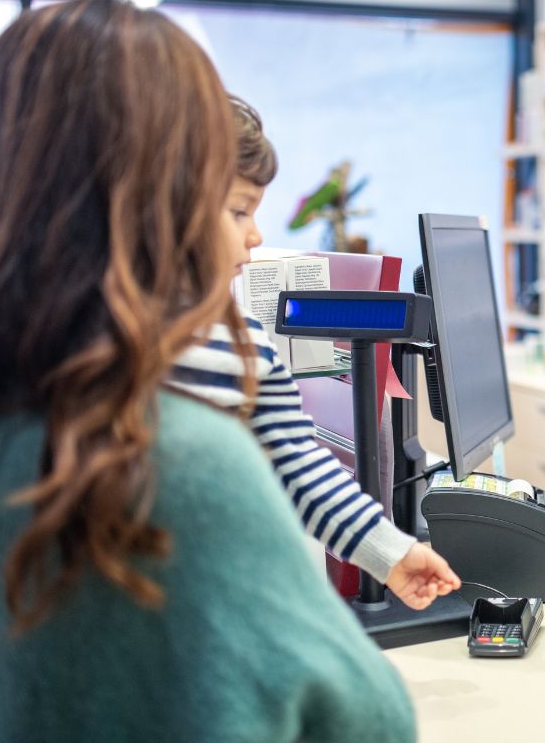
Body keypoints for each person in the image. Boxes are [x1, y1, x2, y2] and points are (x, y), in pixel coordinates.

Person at [0, 0, 414, 741]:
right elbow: (368, 720)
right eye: (224, 198)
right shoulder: (174, 458)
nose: (251, 235)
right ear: (151, 192)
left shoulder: (14, 419)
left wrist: (384, 549)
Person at [168, 95, 461, 608]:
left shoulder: (239, 342)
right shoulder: (70, 347)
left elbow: (296, 462)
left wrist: (389, 553)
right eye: (238, 211)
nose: (256, 234)